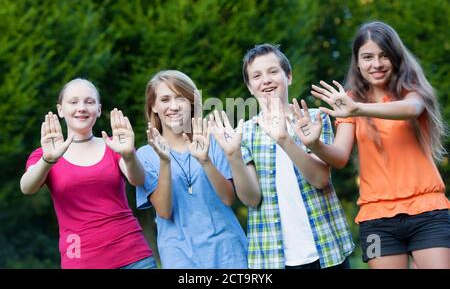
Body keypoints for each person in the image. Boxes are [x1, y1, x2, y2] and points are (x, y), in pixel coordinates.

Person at [308, 21, 450, 268]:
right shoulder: (350, 101)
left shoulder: (411, 91)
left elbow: (411, 110)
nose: (376, 64)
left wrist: (359, 109)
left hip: (427, 211)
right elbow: (340, 156)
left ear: (395, 57)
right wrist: (315, 143)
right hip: (378, 219)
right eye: (368, 57)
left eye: (384, 55)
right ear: (357, 61)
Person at [209, 44, 354, 269]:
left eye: (273, 72)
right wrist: (233, 156)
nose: (266, 80)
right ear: (249, 87)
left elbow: (320, 179)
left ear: (289, 76)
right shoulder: (244, 133)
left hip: (327, 248)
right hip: (273, 257)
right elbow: (251, 199)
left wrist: (285, 140)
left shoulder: (314, 119)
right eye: (256, 76)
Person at [20, 78, 155, 269]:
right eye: (73, 102)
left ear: (98, 110)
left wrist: (128, 155)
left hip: (133, 255)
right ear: (60, 110)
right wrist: (48, 160)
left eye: (89, 102)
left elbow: (138, 180)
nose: (81, 107)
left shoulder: (115, 146)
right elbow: (26, 187)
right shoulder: (44, 155)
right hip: (81, 261)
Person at [135, 70, 248, 269]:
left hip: (228, 252)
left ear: (192, 102)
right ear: (154, 106)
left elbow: (228, 199)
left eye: (180, 98)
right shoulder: (146, 154)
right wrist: (165, 161)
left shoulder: (212, 140)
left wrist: (205, 161)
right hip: (179, 257)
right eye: (165, 99)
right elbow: (164, 211)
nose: (173, 106)